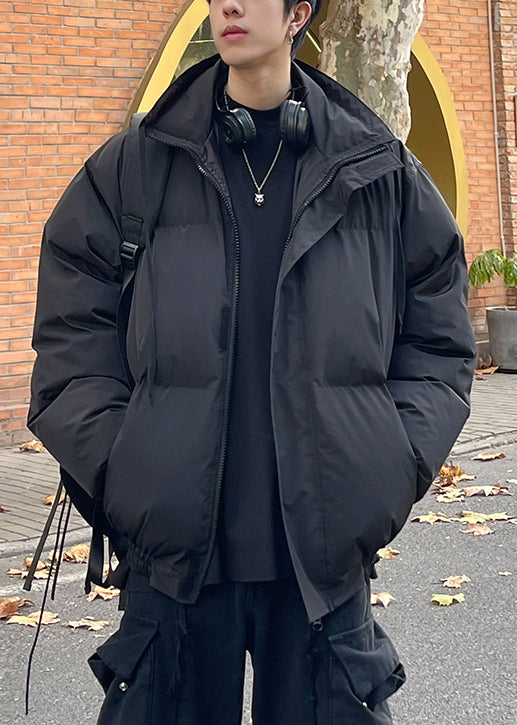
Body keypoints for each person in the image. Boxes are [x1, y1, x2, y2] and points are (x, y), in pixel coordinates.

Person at [28, 0, 476, 721]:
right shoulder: (136, 165)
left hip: (321, 561)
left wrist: (386, 464)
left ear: (299, 13)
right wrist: (126, 469)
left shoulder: (376, 169)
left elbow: (439, 337)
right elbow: (70, 332)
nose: (229, 4)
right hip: (174, 558)